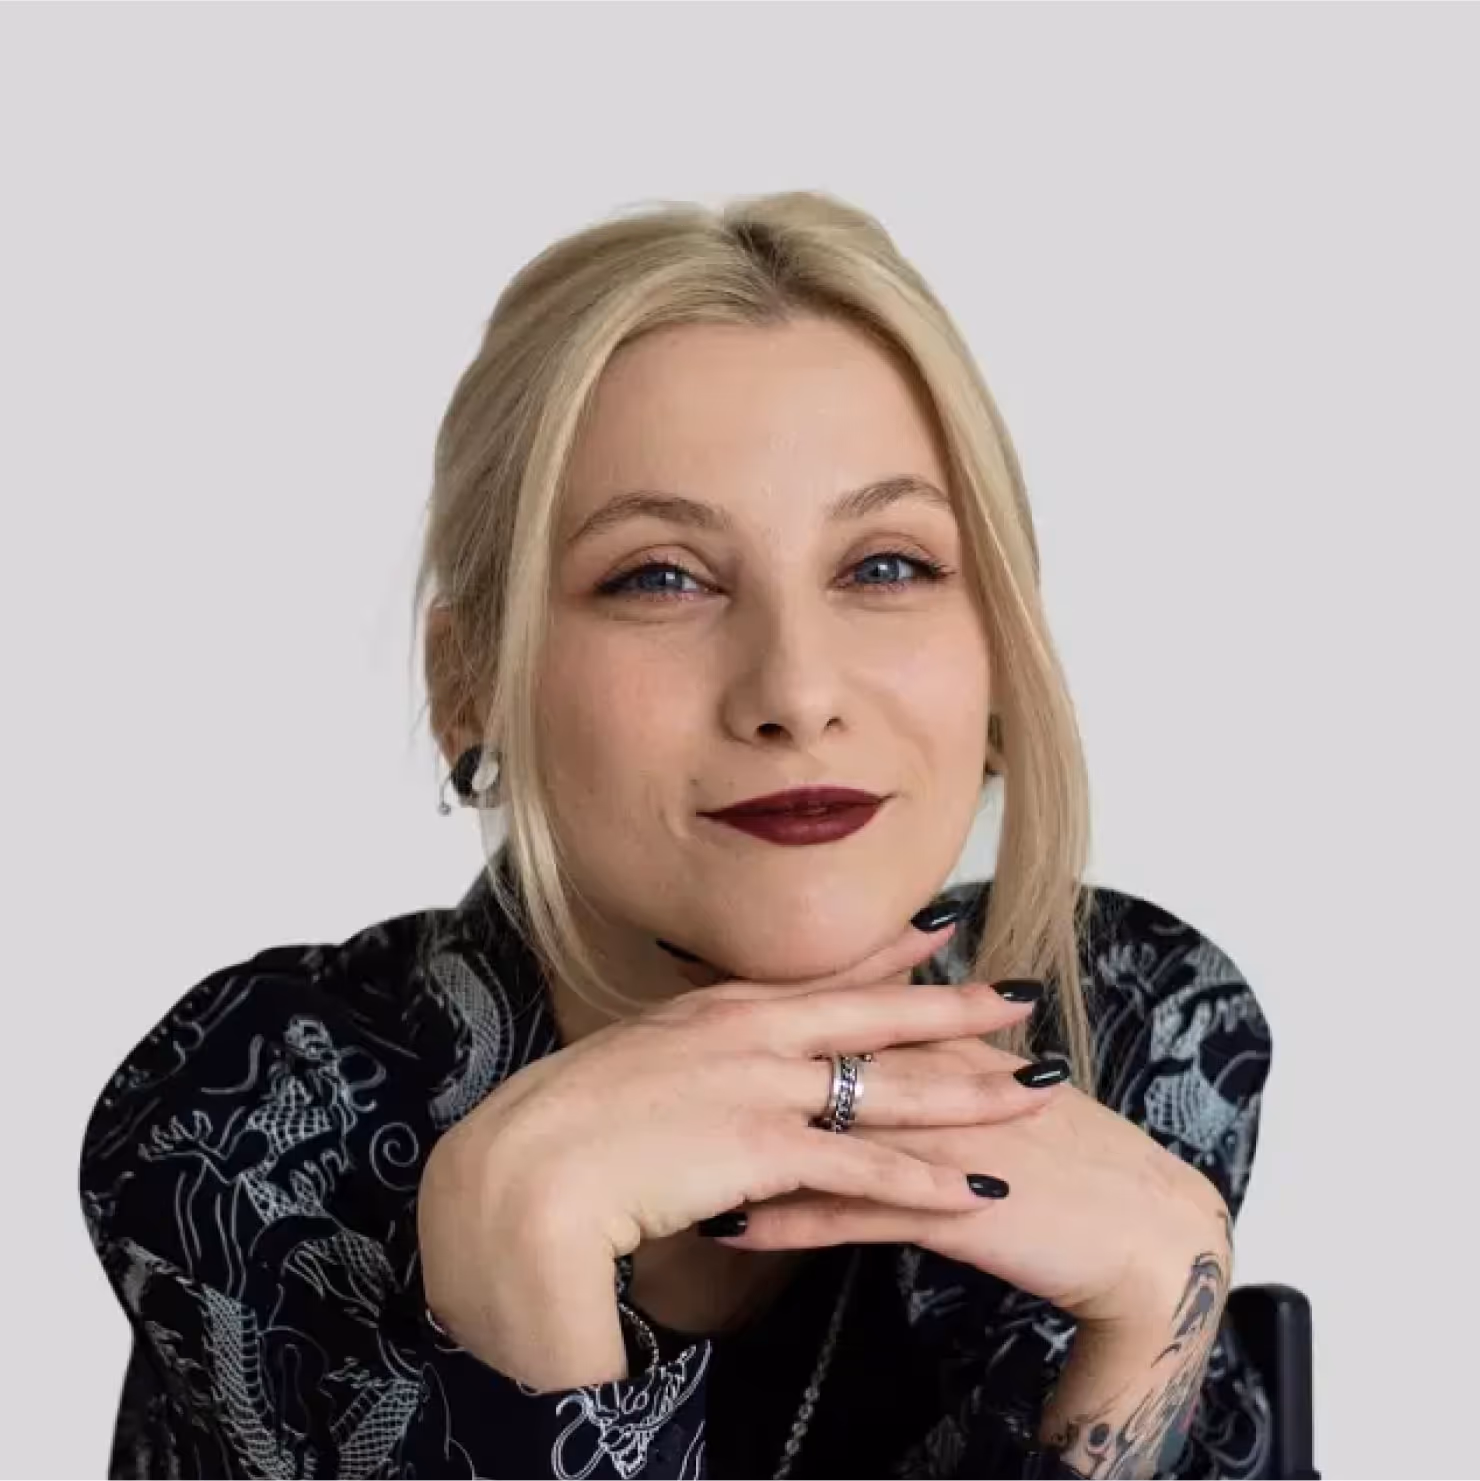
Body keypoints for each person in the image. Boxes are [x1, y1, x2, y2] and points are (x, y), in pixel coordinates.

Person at [80, 190, 1274, 1480]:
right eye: (661, 577)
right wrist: (527, 1272)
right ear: (468, 683)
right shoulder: (261, 1114)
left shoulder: (1131, 1024)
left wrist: (1151, 1324)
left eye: (886, 567)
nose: (796, 691)